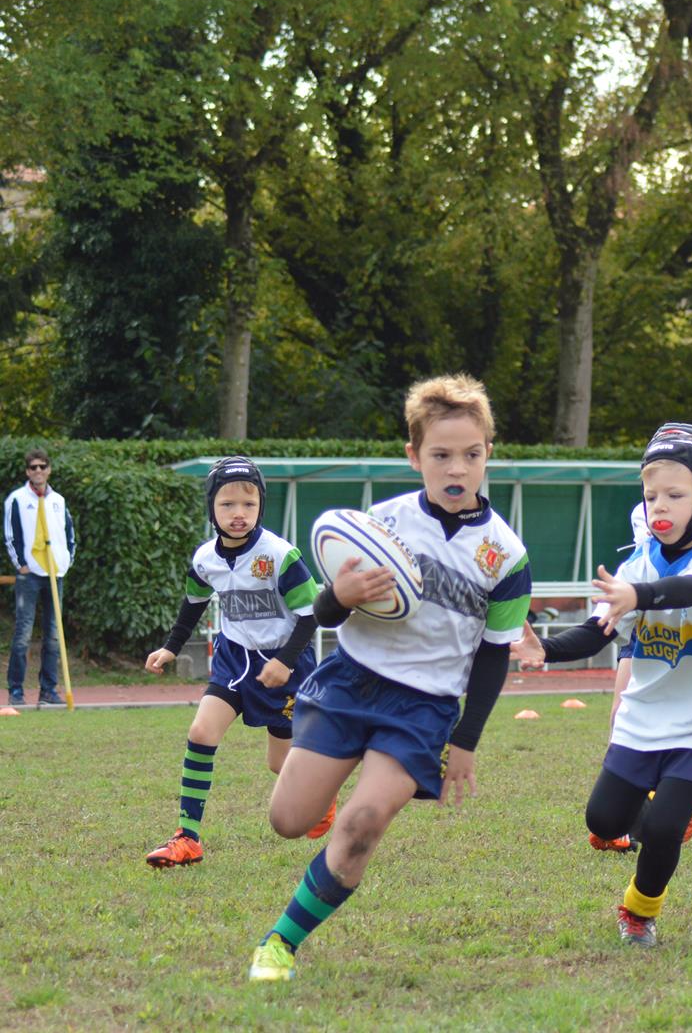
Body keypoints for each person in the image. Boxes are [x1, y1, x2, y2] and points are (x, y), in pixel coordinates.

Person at [246, 375, 531, 981]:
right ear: (413, 456)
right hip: (351, 682)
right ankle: (323, 795)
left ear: (488, 453)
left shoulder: (505, 556)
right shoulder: (379, 524)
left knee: (362, 826)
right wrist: (339, 595)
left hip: (422, 710)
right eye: (441, 455)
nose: (458, 469)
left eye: (472, 454)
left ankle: (279, 944)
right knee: (288, 821)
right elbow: (323, 612)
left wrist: (466, 741)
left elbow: (493, 655)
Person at [525, 426, 692, 947]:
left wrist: (638, 594)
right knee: (604, 820)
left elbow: (688, 590)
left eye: (675, 494)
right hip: (645, 714)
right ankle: (667, 808)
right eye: (651, 496)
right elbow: (598, 630)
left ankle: (638, 911)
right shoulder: (641, 561)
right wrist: (546, 650)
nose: (660, 506)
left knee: (664, 829)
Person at [142, 458, 332, 868]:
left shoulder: (280, 555)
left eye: (249, 504)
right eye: (227, 504)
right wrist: (171, 648)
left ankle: (323, 792)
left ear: (261, 506)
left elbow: (311, 614)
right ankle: (187, 838)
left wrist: (285, 661)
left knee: (279, 763)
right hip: (234, 660)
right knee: (201, 732)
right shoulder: (205, 558)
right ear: (212, 508)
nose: (238, 513)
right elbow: (193, 604)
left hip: (286, 665)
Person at [5, 448, 75, 706]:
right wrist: (21, 564)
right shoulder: (17, 499)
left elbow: (69, 533)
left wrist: (67, 561)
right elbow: (11, 534)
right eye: (33, 467)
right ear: (27, 471)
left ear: (48, 469)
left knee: (53, 635)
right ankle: (16, 690)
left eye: (42, 466)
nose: (38, 471)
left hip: (55, 573)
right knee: (23, 633)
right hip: (30, 575)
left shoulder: (58, 500)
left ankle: (48, 690)